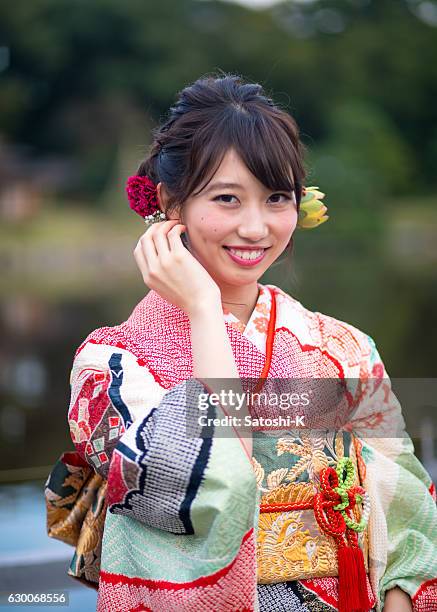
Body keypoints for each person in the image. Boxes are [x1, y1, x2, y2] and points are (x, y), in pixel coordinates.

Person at [63, 74, 437, 611]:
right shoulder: (112, 364)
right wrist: (202, 311)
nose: (257, 227)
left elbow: (409, 518)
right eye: (227, 199)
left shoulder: (344, 348)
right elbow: (209, 490)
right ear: (172, 205)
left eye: (276, 198)